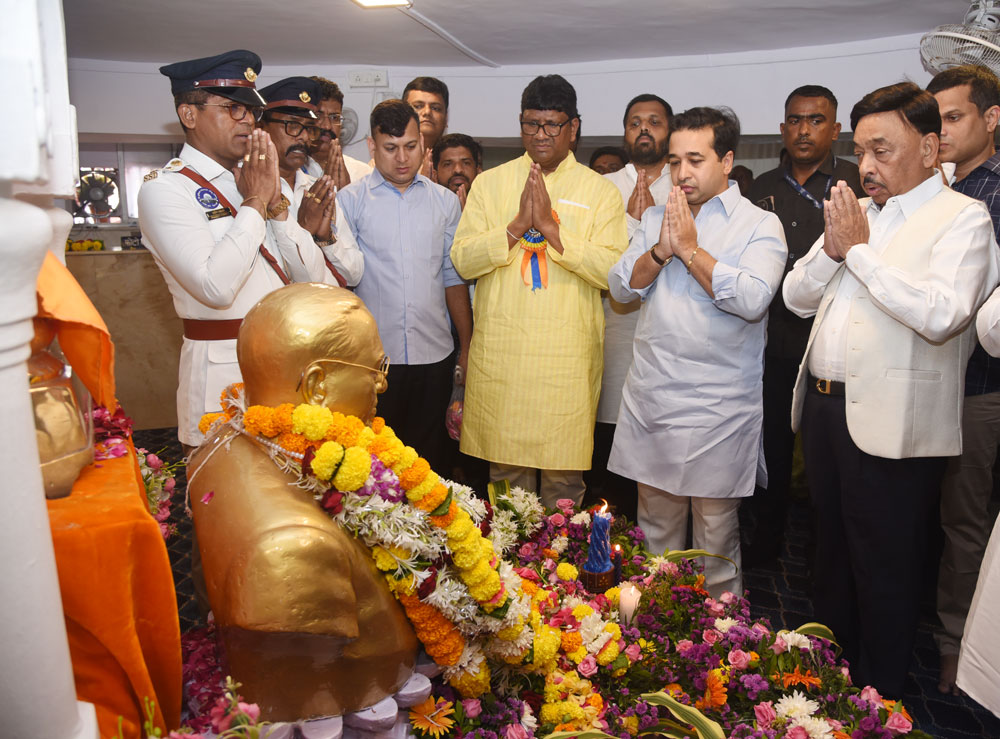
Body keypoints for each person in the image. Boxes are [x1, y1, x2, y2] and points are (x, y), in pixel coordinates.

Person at [783, 81, 999, 698]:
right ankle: (822, 693)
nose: (867, 165)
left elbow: (943, 314)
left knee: (886, 571)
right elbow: (796, 299)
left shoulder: (964, 217)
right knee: (828, 561)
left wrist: (860, 256)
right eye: (862, 150)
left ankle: (880, 701)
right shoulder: (863, 216)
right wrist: (835, 251)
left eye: (883, 149)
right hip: (825, 409)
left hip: (896, 421)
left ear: (931, 148)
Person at [188, 283, 419, 720]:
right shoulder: (297, 548)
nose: (382, 383)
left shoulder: (222, 439)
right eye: (374, 367)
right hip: (338, 692)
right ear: (316, 386)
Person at [607, 106, 786, 596]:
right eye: (673, 161)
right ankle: (655, 645)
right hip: (655, 398)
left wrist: (689, 250)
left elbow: (751, 300)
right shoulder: (654, 218)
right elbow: (621, 289)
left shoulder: (760, 224)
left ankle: (719, 655)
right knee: (655, 538)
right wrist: (662, 250)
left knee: (716, 544)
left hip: (719, 407)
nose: (681, 173)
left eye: (695, 159)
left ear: (726, 160)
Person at [451, 74, 628, 507]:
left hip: (565, 362)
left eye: (552, 125)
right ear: (520, 124)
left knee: (564, 486)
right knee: (506, 483)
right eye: (532, 124)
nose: (541, 135)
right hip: (504, 357)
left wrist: (552, 230)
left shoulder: (600, 192)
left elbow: (612, 273)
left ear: (574, 127)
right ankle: (506, 574)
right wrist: (514, 229)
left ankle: (558, 573)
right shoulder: (490, 184)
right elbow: (463, 260)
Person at [138, 50, 325, 450]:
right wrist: (256, 203)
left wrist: (275, 208)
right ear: (189, 115)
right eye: (232, 108)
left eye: (250, 111)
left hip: (283, 368)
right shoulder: (167, 189)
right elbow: (215, 287)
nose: (247, 120)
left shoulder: (256, 177)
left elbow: (312, 280)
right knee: (228, 506)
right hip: (222, 377)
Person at [745, 85, 863, 566]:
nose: (804, 129)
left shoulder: (855, 183)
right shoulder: (759, 188)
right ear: (782, 128)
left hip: (832, 344)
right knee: (771, 446)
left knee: (824, 458)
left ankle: (822, 556)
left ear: (835, 130)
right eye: (795, 120)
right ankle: (765, 543)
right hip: (771, 342)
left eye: (816, 121)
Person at [336, 99, 471, 474]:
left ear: (424, 146)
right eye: (390, 148)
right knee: (376, 468)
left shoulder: (444, 202)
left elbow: (452, 277)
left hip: (435, 355)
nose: (401, 158)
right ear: (371, 146)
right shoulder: (349, 202)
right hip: (374, 361)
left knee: (431, 466)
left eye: (411, 147)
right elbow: (342, 282)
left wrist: (466, 346)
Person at [926, 64, 1000, 695]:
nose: (941, 131)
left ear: (990, 118)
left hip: (977, 384)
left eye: (953, 117)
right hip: (921, 379)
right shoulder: (929, 189)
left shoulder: (995, 193)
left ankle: (959, 650)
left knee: (964, 522)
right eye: (935, 119)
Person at [590, 93, 674, 520]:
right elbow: (599, 264)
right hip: (615, 330)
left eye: (655, 122)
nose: (645, 129)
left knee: (659, 441)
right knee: (610, 439)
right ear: (624, 132)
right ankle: (608, 540)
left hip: (668, 335)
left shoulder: (685, 186)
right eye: (635, 122)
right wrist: (634, 225)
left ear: (669, 132)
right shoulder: (603, 188)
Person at [259, 76, 363, 289]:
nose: (303, 137)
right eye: (293, 125)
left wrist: (326, 238)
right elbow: (306, 278)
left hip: (328, 314)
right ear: (262, 128)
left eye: (309, 127)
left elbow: (355, 274)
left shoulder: (318, 188)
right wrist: (305, 230)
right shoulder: (247, 189)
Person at [305, 76, 372, 186]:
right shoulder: (290, 171)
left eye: (334, 117)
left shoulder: (363, 173)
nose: (327, 126)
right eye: (318, 116)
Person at [404, 76, 449, 178]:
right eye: (418, 106)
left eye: (435, 108)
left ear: (446, 118)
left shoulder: (457, 167)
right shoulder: (386, 164)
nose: (427, 112)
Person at [432, 133, 483, 210]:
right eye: (448, 164)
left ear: (478, 171)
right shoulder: (424, 210)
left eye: (466, 163)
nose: (458, 170)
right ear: (435, 174)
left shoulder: (492, 208)